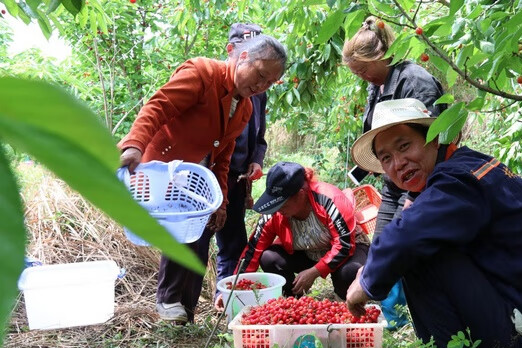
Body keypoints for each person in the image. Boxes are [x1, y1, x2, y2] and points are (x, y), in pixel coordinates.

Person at [346, 98, 522, 348]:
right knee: (419, 236)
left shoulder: (458, 181)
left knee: (417, 251)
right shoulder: (463, 167)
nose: (398, 163)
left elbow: (406, 238)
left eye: (404, 146)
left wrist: (365, 282)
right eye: (386, 158)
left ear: (433, 140)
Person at [118, 32, 287, 323]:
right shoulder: (202, 73)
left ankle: (187, 309)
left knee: (201, 234)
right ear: (243, 56)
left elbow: (223, 155)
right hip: (167, 167)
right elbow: (159, 106)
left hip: (198, 177)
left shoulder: (244, 108)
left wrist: (220, 202)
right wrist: (135, 144)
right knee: (181, 234)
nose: (260, 86)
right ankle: (169, 301)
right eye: (259, 76)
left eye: (269, 83)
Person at [342, 15, 447, 329]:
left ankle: (419, 314)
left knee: (412, 243)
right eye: (356, 73)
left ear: (381, 56)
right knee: (385, 241)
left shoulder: (414, 81)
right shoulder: (380, 84)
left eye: (363, 69)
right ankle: (395, 317)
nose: (362, 77)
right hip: (395, 180)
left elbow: (435, 140)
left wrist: (417, 195)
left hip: (421, 180)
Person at [196, 23, 269, 312]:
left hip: (237, 178)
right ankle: (183, 306)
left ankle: (228, 302)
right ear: (233, 52)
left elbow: (259, 136)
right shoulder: (211, 82)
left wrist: (256, 160)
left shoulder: (259, 91)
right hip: (206, 176)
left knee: (234, 243)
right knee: (197, 241)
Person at [228, 161, 371, 301]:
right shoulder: (274, 212)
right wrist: (234, 290)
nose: (278, 208)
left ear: (301, 194)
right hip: (308, 252)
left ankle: (346, 300)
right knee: (269, 257)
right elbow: (253, 250)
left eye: (282, 202)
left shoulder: (330, 200)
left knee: (349, 271)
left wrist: (315, 271)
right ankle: (293, 301)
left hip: (348, 249)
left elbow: (344, 245)